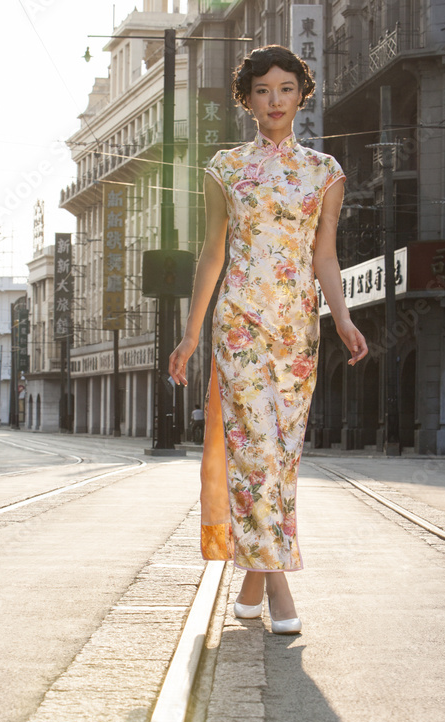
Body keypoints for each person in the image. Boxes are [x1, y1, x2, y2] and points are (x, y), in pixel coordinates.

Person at [169, 45, 368, 634]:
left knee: (280, 458)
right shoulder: (225, 169)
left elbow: (324, 256)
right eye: (262, 90)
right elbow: (212, 255)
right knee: (255, 452)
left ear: (301, 95)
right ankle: (278, 587)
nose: (274, 100)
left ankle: (251, 584)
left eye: (286, 89)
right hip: (239, 328)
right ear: (247, 100)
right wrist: (190, 335)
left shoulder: (324, 173)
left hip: (296, 331)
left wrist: (344, 317)